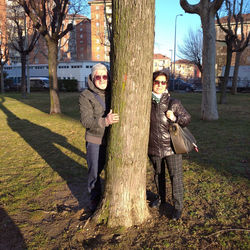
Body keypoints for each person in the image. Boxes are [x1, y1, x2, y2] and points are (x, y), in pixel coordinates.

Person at [148, 70, 191, 220]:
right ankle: (161, 198)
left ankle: (178, 207)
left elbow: (187, 119)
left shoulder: (173, 102)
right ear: (152, 83)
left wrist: (175, 117)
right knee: (158, 175)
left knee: (175, 177)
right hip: (153, 146)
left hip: (172, 147)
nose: (159, 85)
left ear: (166, 84)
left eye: (163, 82)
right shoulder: (145, 101)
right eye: (156, 82)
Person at [79, 63, 119, 212]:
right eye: (98, 77)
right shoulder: (85, 96)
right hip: (95, 141)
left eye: (104, 76)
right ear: (92, 77)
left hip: (112, 140)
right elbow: (86, 121)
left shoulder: (113, 91)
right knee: (94, 173)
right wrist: (105, 121)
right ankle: (95, 201)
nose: (102, 80)